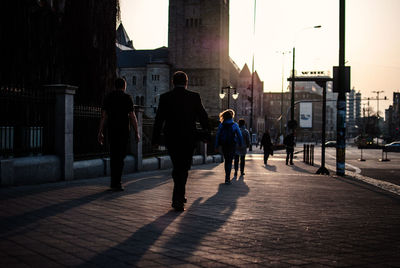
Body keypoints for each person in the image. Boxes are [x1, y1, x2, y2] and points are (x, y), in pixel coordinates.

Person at [152, 71, 209, 212]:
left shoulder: (165, 97)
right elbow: (203, 117)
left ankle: (179, 196)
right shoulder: (194, 97)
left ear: (173, 82)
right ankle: (178, 198)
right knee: (183, 168)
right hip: (189, 138)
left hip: (171, 138)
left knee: (178, 166)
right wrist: (206, 133)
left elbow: (159, 120)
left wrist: (155, 139)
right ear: (186, 82)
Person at [98, 78, 140, 191]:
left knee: (113, 155)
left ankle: (113, 182)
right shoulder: (127, 98)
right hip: (123, 131)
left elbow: (104, 116)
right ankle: (118, 182)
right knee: (120, 157)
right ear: (124, 86)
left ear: (115, 86)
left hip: (111, 130)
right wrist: (137, 132)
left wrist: (100, 131)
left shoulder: (108, 97)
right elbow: (132, 116)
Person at [215, 109, 243, 185]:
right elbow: (240, 135)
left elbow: (217, 135)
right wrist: (241, 144)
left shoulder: (221, 125)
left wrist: (216, 145)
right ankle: (228, 178)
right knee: (230, 161)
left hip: (224, 145)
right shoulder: (235, 125)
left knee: (226, 160)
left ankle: (226, 177)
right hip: (232, 145)